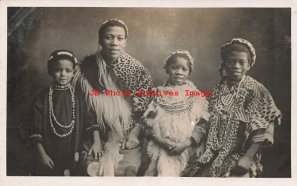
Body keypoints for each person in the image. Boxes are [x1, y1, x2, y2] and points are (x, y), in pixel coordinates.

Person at [183, 38, 282, 177]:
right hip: (211, 153)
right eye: (231, 61)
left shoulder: (256, 90)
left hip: (240, 157)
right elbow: (208, 118)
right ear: (225, 63)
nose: (236, 65)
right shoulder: (219, 88)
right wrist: (201, 145)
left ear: (248, 65)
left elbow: (265, 124)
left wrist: (248, 157)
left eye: (241, 62)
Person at [72, 19, 153, 176]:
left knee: (127, 172)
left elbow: (144, 111)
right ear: (100, 40)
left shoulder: (138, 72)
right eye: (109, 37)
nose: (114, 43)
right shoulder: (86, 70)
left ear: (125, 42)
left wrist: (134, 134)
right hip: (96, 133)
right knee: (92, 170)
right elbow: (86, 111)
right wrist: (96, 139)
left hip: (127, 134)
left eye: (119, 38)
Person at [139, 49, 209, 176]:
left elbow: (202, 125)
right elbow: (147, 124)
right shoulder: (157, 94)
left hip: (186, 147)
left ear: (189, 72)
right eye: (174, 68)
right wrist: (159, 140)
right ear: (167, 69)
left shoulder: (196, 96)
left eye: (184, 69)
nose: (179, 72)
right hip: (160, 144)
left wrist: (185, 144)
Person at [28, 50, 84, 176]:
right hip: (48, 152)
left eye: (68, 71)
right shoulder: (42, 97)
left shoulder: (78, 97)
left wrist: (78, 150)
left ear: (74, 73)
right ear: (50, 71)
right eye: (58, 70)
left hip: (72, 151)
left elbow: (85, 124)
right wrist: (42, 154)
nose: (63, 74)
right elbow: (34, 127)